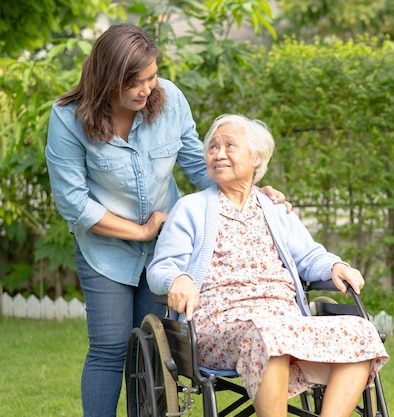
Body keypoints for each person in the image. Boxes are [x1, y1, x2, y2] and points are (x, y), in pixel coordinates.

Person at [45, 24, 288, 417]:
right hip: (105, 249)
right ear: (107, 78)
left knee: (154, 354)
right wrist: (140, 230)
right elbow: (74, 203)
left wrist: (253, 190)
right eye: (134, 82)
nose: (146, 89)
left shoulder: (169, 99)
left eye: (151, 77)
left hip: (166, 248)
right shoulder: (67, 118)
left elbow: (198, 163)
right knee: (109, 348)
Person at [147, 114, 389, 417]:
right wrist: (178, 278)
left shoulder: (274, 209)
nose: (218, 154)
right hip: (220, 326)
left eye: (229, 146)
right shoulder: (190, 208)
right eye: (212, 147)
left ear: (256, 158)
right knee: (266, 333)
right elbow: (161, 267)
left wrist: (335, 266)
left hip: (285, 322)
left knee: (360, 331)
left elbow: (309, 256)